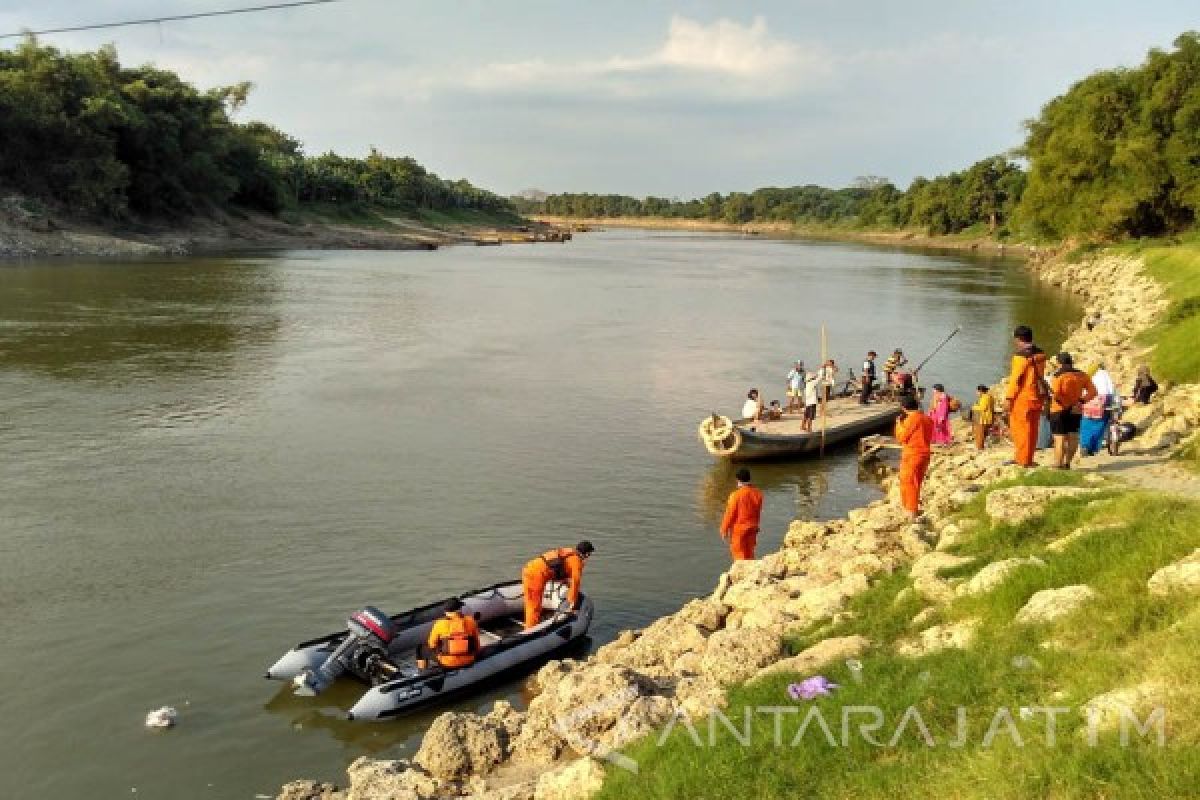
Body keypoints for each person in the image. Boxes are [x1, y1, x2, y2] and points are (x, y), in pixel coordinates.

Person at [521, 541, 593, 629]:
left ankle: (532, 624)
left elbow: (557, 567)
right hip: (535, 576)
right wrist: (571, 604)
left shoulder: (569, 553)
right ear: (586, 554)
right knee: (533, 606)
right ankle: (530, 631)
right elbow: (575, 583)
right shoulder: (576, 562)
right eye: (589, 554)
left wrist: (564, 580)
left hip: (531, 569)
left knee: (533, 604)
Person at [1004, 325, 1048, 467]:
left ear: (1019, 339)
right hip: (1038, 396)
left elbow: (1016, 379)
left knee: (1020, 429)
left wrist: (1009, 398)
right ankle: (1028, 458)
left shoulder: (1020, 357)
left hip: (1023, 397)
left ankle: (1022, 460)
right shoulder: (1041, 354)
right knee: (1033, 429)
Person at [1048, 351, 1097, 469]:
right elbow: (1093, 392)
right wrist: (1081, 401)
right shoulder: (1082, 375)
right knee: (1073, 437)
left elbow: (1056, 394)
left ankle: (1057, 464)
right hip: (1076, 409)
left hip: (1058, 409)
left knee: (1059, 438)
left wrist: (1062, 403)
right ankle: (1067, 462)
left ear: (1059, 363)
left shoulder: (1058, 376)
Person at [894, 395, 934, 520]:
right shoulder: (927, 419)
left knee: (909, 482)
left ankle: (911, 510)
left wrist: (899, 424)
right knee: (916, 481)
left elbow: (901, 437)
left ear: (904, 408)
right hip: (925, 454)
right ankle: (911, 508)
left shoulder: (912, 419)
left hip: (912, 454)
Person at [416, 598, 480, 670]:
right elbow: (476, 643)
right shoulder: (471, 621)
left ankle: (422, 671)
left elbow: (432, 644)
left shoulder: (440, 623)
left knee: (420, 649)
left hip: (448, 663)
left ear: (446, 611)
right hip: (469, 660)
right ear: (459, 609)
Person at [720, 468, 763, 561]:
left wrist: (724, 529)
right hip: (753, 527)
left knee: (739, 555)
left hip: (739, 530)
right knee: (750, 553)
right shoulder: (758, 493)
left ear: (738, 480)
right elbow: (758, 512)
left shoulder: (736, 495)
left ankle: (742, 574)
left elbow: (730, 513)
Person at [1079, 365, 1116, 456]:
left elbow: (1083, 389)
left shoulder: (1088, 375)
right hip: (1102, 402)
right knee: (1099, 426)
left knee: (1085, 426)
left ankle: (1084, 446)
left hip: (1088, 402)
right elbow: (1110, 390)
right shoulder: (1105, 374)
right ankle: (1093, 448)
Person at [971, 384, 995, 451]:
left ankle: (980, 448)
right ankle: (982, 446)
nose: (977, 393)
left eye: (977, 392)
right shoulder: (990, 397)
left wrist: (973, 407)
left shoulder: (985, 397)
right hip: (989, 417)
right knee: (984, 433)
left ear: (981, 391)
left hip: (984, 418)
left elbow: (982, 408)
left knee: (980, 434)